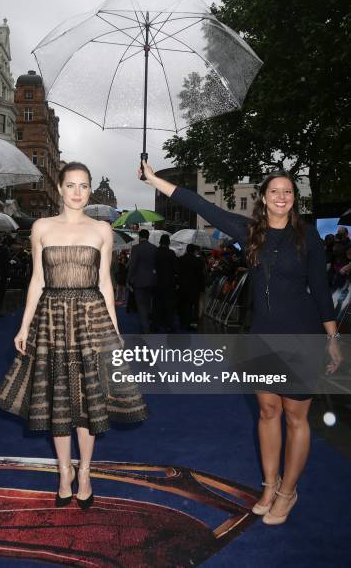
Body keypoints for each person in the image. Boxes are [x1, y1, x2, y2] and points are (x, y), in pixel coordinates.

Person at [139, 161, 341, 525]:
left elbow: (322, 289)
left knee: (296, 417)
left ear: (294, 199)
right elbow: (205, 207)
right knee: (267, 412)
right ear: (263, 198)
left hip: (303, 332)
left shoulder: (307, 235)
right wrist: (155, 180)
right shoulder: (250, 233)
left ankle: (288, 491)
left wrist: (332, 337)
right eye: (275, 191)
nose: (282, 197)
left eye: (288, 192)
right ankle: (269, 485)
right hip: (263, 333)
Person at [0, 162, 147, 509]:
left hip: (91, 318)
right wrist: (24, 325)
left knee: (88, 400)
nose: (78, 192)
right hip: (52, 319)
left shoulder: (103, 230)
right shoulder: (42, 228)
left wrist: (115, 331)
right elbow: (37, 280)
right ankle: (64, 472)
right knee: (58, 397)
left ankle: (86, 472)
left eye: (84, 186)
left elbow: (106, 283)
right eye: (72, 185)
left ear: (90, 190)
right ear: (60, 188)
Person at [126, 229, 157, 333]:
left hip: (139, 281)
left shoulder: (136, 248)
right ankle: (148, 324)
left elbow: (133, 265)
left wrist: (128, 279)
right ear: (148, 237)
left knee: (141, 305)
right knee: (148, 304)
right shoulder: (154, 248)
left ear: (140, 237)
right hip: (152, 281)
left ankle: (145, 328)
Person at [154, 234, 177, 332]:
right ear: (168, 242)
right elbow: (175, 269)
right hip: (169, 283)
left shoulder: (156, 252)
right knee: (168, 304)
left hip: (157, 282)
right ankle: (168, 324)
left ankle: (156, 324)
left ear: (160, 241)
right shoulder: (171, 253)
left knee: (157, 304)